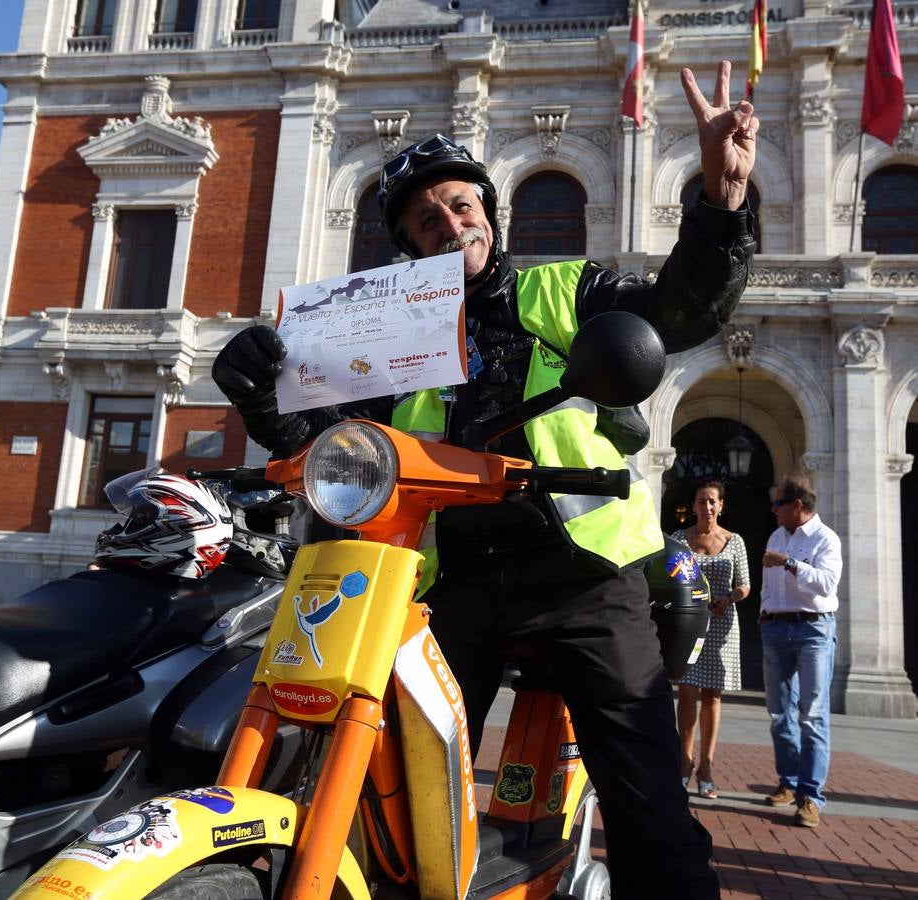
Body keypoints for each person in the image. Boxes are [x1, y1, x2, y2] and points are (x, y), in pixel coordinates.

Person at [213, 61, 759, 899]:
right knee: (387, 782)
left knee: (648, 806)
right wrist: (258, 386)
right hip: (453, 581)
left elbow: (680, 311)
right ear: (408, 247)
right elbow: (331, 445)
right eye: (426, 220)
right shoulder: (383, 333)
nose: (448, 222)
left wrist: (720, 204)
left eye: (460, 205)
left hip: (585, 578)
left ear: (489, 216)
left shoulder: (566, 287)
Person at [760, 475, 843, 828]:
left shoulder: (826, 539)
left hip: (813, 628)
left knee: (812, 714)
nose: (773, 509)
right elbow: (766, 583)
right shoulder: (778, 536)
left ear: (797, 506)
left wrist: (790, 564)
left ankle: (811, 796)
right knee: (780, 713)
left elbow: (827, 584)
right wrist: (764, 614)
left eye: (778, 504)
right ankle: (788, 783)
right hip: (776, 627)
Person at [672, 480, 750, 799]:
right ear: (693, 506)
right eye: (702, 501)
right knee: (687, 692)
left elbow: (745, 585)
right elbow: (670, 577)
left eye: (712, 502)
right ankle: (684, 762)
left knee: (712, 696)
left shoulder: (735, 542)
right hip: (689, 623)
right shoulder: (679, 539)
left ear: (721, 506)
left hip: (721, 624)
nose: (707, 507)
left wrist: (728, 597)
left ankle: (706, 766)